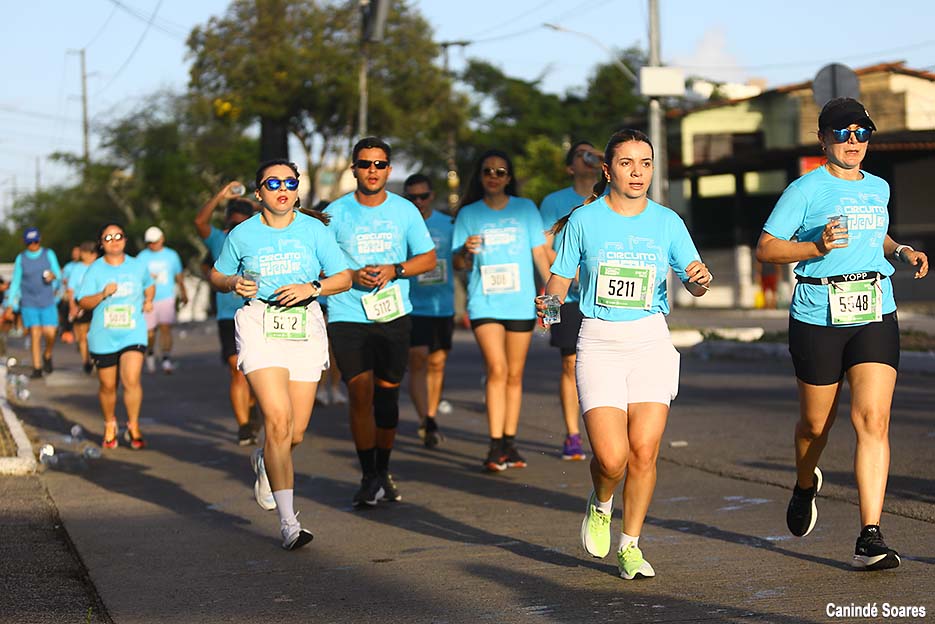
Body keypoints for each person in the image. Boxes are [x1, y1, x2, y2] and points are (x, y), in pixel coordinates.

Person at [755, 97, 928, 571]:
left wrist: (902, 250)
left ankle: (869, 536)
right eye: (841, 133)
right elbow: (765, 248)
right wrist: (814, 246)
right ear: (822, 139)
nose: (853, 142)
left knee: (873, 420)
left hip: (874, 307)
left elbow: (878, 236)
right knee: (816, 426)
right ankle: (805, 481)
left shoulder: (878, 187)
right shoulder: (805, 190)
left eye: (861, 133)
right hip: (818, 314)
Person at [542, 129, 711, 580]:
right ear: (608, 169)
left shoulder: (667, 222)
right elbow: (560, 278)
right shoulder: (584, 220)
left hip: (651, 339)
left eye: (646, 163)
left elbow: (693, 279)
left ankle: (631, 544)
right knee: (612, 457)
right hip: (599, 340)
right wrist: (550, 306)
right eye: (627, 163)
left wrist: (699, 278)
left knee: (644, 450)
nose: (637, 172)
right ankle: (601, 504)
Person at [210, 159, 351, 550]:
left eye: (290, 182)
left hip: (305, 326)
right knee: (277, 421)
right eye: (273, 183)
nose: (282, 188)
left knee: (296, 432)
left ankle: (263, 461)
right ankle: (289, 523)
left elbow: (344, 277)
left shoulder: (315, 231)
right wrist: (232, 282)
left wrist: (314, 288)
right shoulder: (242, 234)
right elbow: (217, 275)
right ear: (259, 193)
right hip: (260, 325)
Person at [324, 137, 437, 507]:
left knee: (387, 396)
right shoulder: (334, 212)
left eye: (379, 164)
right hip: (347, 313)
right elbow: (319, 261)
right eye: (365, 164)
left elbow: (429, 258)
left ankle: (383, 468)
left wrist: (396, 269)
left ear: (389, 169)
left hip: (393, 314)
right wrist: (350, 276)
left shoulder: (405, 211)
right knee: (360, 392)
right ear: (353, 168)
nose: (372, 170)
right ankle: (367, 473)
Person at [452, 149, 552, 472]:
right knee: (496, 369)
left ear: (509, 178)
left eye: (500, 172)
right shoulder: (469, 214)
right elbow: (457, 264)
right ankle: (495, 445)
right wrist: (465, 252)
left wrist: (552, 298)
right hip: (485, 302)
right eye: (487, 172)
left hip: (520, 302)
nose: (493, 177)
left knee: (514, 373)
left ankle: (510, 440)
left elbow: (540, 256)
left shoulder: (525, 210)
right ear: (479, 177)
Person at [540, 140, 604, 461]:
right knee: (570, 363)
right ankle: (572, 434)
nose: (589, 158)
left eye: (594, 154)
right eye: (582, 155)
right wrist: (552, 298)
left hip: (604, 297)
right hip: (567, 298)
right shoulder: (554, 202)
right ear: (570, 167)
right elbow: (544, 249)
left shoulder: (610, 198)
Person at [76, 223, 155, 450]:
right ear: (101, 243)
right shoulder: (95, 270)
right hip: (104, 335)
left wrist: (149, 300)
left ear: (125, 239)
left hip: (133, 331)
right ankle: (110, 423)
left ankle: (133, 426)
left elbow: (149, 286)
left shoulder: (137, 265)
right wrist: (102, 294)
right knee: (108, 385)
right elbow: (82, 301)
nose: (114, 240)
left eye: (118, 236)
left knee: (131, 380)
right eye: (108, 237)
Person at [195, 182, 259, 446]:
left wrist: (256, 202)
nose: (237, 220)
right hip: (228, 315)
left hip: (257, 311)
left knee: (255, 372)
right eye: (233, 215)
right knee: (237, 370)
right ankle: (243, 426)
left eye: (242, 215)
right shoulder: (219, 239)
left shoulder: (260, 235)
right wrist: (222, 194)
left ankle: (252, 405)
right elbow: (200, 221)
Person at [403, 173, 455, 449]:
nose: (418, 202)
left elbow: (458, 260)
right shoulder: (402, 225)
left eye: (423, 196)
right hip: (412, 305)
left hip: (442, 305)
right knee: (418, 359)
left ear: (431, 196)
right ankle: (426, 421)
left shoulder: (447, 224)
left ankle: (431, 416)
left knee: (437, 362)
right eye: (412, 197)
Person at [4, 227, 62, 378]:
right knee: (35, 334)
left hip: (48, 300)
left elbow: (58, 275)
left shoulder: (48, 254)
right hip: (29, 302)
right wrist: (10, 305)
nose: (33, 245)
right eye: (30, 243)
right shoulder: (21, 258)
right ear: (25, 243)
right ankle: (37, 367)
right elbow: (16, 282)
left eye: (35, 242)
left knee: (50, 333)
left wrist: (53, 277)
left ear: (40, 240)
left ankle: (47, 354)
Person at [137, 226, 188, 374]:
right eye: (150, 242)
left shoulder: (171, 255)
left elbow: (178, 275)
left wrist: (184, 292)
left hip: (166, 297)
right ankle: (151, 354)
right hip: (148, 299)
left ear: (162, 239)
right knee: (150, 332)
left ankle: (166, 359)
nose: (153, 245)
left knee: (165, 328)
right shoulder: (141, 257)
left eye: (155, 241)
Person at [63, 241, 100, 374]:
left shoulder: (99, 266)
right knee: (82, 336)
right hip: (81, 304)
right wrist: (73, 306)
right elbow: (71, 289)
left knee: (96, 333)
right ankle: (86, 360)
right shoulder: (77, 268)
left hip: (97, 303)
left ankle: (96, 357)